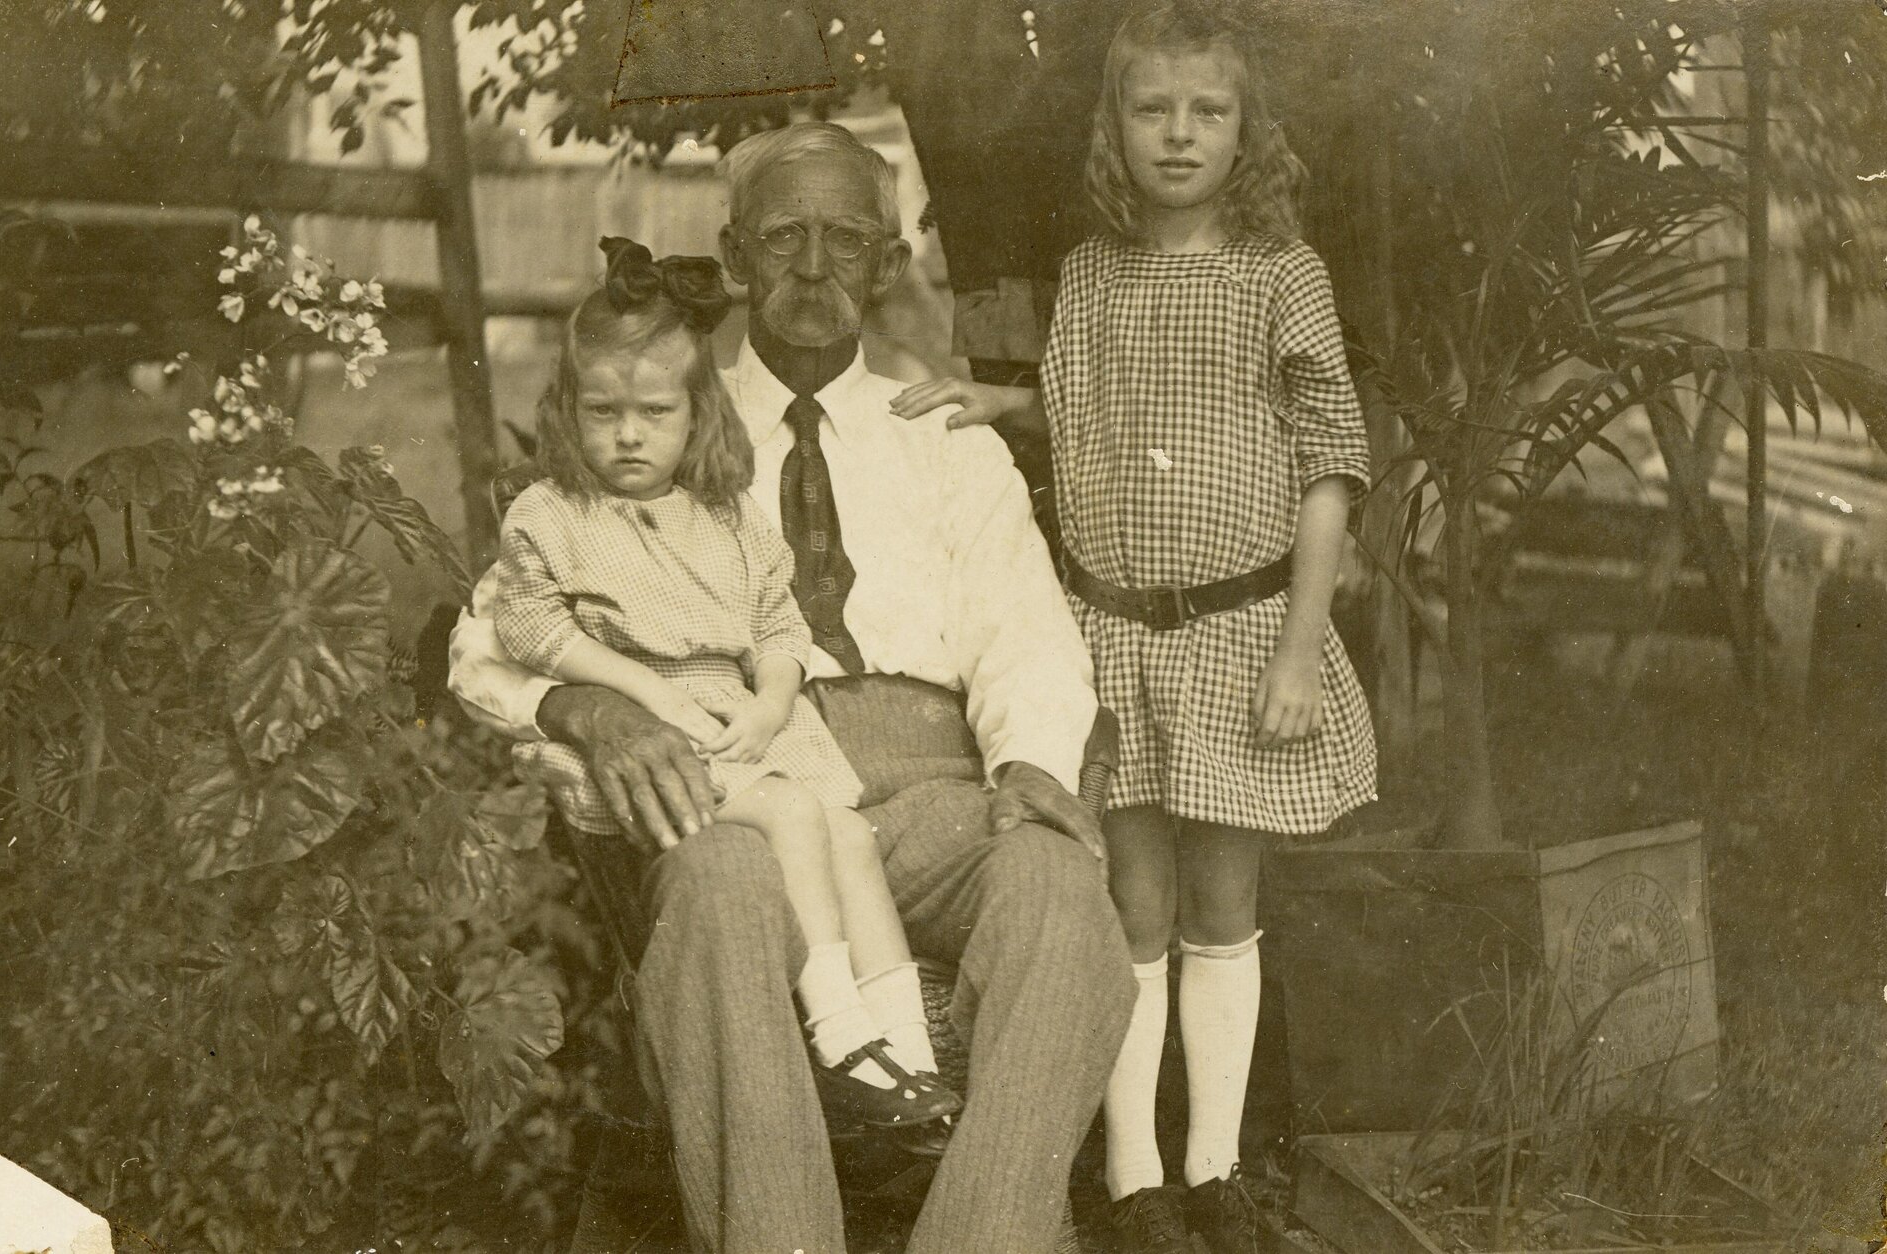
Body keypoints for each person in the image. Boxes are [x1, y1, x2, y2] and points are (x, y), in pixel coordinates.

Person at [450, 122, 1136, 1254]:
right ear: (732, 256)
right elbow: (488, 634)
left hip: (931, 791)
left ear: (884, 264)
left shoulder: (944, 442)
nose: (813, 270)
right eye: (782, 239)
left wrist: (1025, 771)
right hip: (739, 785)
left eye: (844, 240)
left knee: (1060, 896)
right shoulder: (658, 414)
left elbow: (1026, 639)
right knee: (718, 884)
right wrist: (589, 708)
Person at [892, 4, 1378, 1250]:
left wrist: (1293, 646)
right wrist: (994, 398)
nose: (1177, 135)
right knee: (1128, 908)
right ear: (1114, 126)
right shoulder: (1095, 275)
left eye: (1205, 112)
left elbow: (1327, 466)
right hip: (1111, 638)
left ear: (1243, 130)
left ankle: (1212, 1171)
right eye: (1150, 110)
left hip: (1236, 634)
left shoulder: (1281, 275)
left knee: (1222, 906)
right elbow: (1099, 422)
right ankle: (1133, 1179)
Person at [491, 237, 960, 1132]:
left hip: (743, 727)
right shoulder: (553, 514)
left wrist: (773, 701)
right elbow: (529, 626)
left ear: (697, 410)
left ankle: (909, 1053)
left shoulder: (725, 514)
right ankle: (843, 1038)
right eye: (602, 412)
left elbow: (782, 625)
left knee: (849, 839)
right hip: (651, 740)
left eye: (654, 412)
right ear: (567, 408)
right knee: (791, 816)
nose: (628, 436)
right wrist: (639, 689)